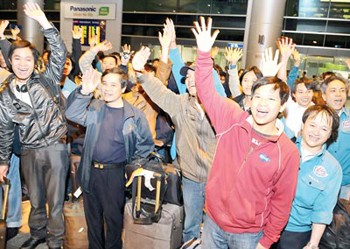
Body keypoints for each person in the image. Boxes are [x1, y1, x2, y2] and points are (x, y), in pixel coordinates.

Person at [192, 17, 300, 249]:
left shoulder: (287, 152)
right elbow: (206, 91)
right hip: (212, 222)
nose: (262, 103)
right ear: (249, 101)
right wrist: (203, 54)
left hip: (249, 236)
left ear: (281, 106)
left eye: (271, 99)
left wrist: (267, 240)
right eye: (257, 97)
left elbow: (282, 202)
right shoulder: (231, 119)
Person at [132, 20, 217, 244]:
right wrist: (141, 73)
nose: (189, 81)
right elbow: (159, 92)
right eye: (187, 78)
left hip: (217, 179)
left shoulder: (221, 109)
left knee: (215, 227)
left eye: (194, 77)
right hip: (190, 178)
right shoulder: (180, 104)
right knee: (190, 225)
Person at [0, 3, 68, 249]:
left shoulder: (46, 79)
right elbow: (5, 131)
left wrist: (45, 23)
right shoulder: (5, 94)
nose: (22, 63)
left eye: (28, 58)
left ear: (34, 61)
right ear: (10, 61)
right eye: (17, 58)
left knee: (56, 201)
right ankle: (38, 234)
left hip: (55, 147)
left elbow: (60, 51)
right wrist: (3, 162)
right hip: (28, 150)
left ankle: (55, 241)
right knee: (37, 199)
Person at [65, 67, 154, 249]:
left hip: (116, 175)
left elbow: (145, 146)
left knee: (114, 224)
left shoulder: (134, 116)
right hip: (90, 172)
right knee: (93, 222)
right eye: (104, 84)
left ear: (123, 88)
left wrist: (131, 170)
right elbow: (71, 114)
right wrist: (84, 92)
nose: (107, 88)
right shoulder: (95, 107)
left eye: (113, 85)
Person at [277, 105, 342, 249]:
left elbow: (322, 210)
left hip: (296, 234)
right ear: (303, 124)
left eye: (324, 129)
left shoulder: (332, 168)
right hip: (265, 224)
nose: (316, 132)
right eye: (312, 125)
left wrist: (313, 244)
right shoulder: (284, 148)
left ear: (331, 134)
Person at [320, 75, 350, 200]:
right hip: (321, 183)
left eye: (342, 90)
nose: (338, 94)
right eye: (333, 91)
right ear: (324, 96)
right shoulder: (316, 119)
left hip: (346, 186)